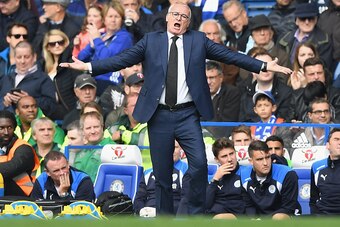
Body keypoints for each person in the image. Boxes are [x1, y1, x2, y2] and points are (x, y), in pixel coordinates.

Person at [60, 2, 292, 215]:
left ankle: (194, 216)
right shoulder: (151, 40)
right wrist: (88, 66)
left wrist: (263, 65)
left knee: (200, 165)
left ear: (188, 22)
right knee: (161, 175)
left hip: (187, 114)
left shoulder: (198, 40)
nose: (179, 18)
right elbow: (122, 58)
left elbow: (229, 55)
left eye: (184, 16)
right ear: (169, 17)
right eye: (176, 14)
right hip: (158, 115)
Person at [78, 1, 133, 94]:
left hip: (111, 83)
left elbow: (106, 59)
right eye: (110, 16)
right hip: (93, 80)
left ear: (122, 20)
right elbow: (81, 58)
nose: (113, 20)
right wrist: (91, 47)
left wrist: (96, 39)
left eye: (117, 16)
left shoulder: (124, 37)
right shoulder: (101, 36)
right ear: (104, 19)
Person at [241, 140, 299, 219]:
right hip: (258, 220)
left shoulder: (287, 174)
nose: (265, 163)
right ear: (251, 161)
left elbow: (288, 208)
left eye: (268, 157)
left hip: (284, 217)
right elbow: (248, 205)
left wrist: (263, 222)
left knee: (278, 218)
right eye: (260, 159)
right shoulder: (244, 174)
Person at [0, 41, 57, 118]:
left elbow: (52, 106)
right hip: (8, 126)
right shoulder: (6, 78)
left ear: (34, 57)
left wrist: (29, 99)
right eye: (19, 57)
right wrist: (4, 102)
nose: (22, 61)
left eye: (26, 57)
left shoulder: (43, 79)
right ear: (14, 58)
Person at [134, 140, 188, 216]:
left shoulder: (186, 170)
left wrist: (160, 213)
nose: (171, 150)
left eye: (175, 147)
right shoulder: (148, 173)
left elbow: (187, 201)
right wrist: (141, 211)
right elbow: (139, 199)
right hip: (147, 216)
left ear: (181, 150)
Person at [239, 47, 292, 122]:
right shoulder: (245, 92)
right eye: (262, 67)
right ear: (252, 71)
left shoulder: (286, 92)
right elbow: (241, 122)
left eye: (269, 66)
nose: (266, 70)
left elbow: (283, 122)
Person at [277, 2, 333, 70]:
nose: (307, 22)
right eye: (303, 18)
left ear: (316, 20)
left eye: (310, 18)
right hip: (287, 77)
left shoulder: (324, 41)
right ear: (296, 21)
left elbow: (324, 67)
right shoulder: (283, 39)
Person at [41, 29, 80, 120]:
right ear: (47, 48)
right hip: (50, 109)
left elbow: (78, 86)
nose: (57, 45)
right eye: (52, 44)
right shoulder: (43, 66)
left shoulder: (71, 63)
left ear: (65, 43)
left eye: (60, 42)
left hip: (69, 110)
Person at [0, 110, 39, 196]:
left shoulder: (24, 148)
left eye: (9, 128)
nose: (6, 132)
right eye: (1, 128)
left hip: (25, 196)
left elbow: (13, 167)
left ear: (14, 128)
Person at [288, 57, 340, 122]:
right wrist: (294, 125)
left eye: (319, 73)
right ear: (304, 76)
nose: (316, 77)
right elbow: (288, 121)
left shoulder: (336, 94)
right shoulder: (297, 95)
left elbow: (338, 121)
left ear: (324, 73)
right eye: (311, 74)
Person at [205, 137, 246, 219]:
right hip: (213, 216)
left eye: (231, 154)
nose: (230, 159)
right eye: (224, 156)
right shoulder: (213, 178)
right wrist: (215, 180)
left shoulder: (246, 172)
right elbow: (206, 204)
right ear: (216, 159)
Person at [30, 150, 95, 201]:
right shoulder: (41, 181)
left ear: (68, 164)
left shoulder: (83, 180)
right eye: (56, 170)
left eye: (64, 168)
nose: (62, 173)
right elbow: (35, 208)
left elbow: (82, 212)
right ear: (47, 172)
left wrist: (63, 194)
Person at [109, 93, 151, 169]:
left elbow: (147, 141)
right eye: (134, 106)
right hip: (122, 172)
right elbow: (104, 142)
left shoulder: (153, 125)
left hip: (148, 173)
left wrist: (123, 135)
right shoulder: (117, 126)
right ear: (126, 110)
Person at [245, 14, 290, 84]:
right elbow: (243, 77)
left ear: (271, 33)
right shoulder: (248, 56)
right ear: (252, 35)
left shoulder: (282, 55)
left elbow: (283, 79)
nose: (262, 33)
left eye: (265, 29)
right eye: (258, 30)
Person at [73, 111, 114, 182]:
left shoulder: (112, 148)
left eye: (96, 127)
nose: (93, 131)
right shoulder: (80, 150)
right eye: (88, 128)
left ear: (102, 127)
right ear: (82, 130)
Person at [198, 19, 240, 86]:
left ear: (220, 36)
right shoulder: (193, 53)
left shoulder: (231, 53)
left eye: (215, 34)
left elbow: (230, 78)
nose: (212, 38)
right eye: (208, 34)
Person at [205, 60, 240, 138]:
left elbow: (228, 123)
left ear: (221, 78)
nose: (208, 82)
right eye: (205, 78)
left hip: (223, 138)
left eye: (212, 78)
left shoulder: (232, 93)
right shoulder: (197, 94)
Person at [310, 128, 340, 215]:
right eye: (336, 139)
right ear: (327, 145)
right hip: (323, 216)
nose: (339, 142)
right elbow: (313, 199)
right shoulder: (317, 167)